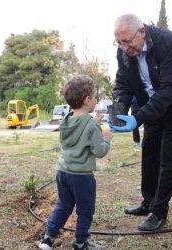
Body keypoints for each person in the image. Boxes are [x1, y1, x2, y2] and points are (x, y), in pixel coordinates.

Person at [110, 14, 172, 231]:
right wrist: (119, 110)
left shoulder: (168, 43)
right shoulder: (123, 53)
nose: (124, 47)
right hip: (153, 105)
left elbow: (169, 89)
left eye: (127, 41)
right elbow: (123, 85)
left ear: (141, 31)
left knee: (168, 158)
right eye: (119, 42)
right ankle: (148, 202)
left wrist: (138, 118)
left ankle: (159, 211)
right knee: (149, 153)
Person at [37, 75, 113, 250]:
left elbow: (80, 129)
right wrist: (106, 139)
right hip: (82, 177)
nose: (95, 100)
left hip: (63, 173)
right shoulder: (91, 125)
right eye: (95, 97)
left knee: (63, 205)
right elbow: (100, 151)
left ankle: (48, 238)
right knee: (85, 210)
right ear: (87, 100)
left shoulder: (67, 120)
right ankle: (80, 243)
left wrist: (93, 123)